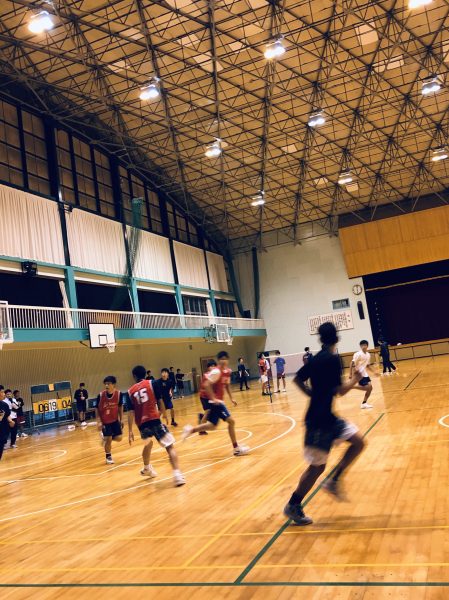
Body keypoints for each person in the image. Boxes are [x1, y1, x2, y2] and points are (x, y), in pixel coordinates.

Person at [283, 322, 365, 526]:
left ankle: (333, 481)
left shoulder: (316, 358)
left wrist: (311, 394)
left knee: (358, 442)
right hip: (319, 422)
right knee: (316, 468)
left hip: (327, 417)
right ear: (336, 337)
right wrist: (355, 379)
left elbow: (297, 379)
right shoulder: (332, 359)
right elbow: (340, 391)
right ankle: (293, 504)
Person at [182, 351, 250, 456]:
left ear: (228, 360)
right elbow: (206, 384)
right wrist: (213, 398)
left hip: (219, 402)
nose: (223, 361)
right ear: (218, 360)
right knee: (231, 422)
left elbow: (227, 385)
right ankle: (236, 448)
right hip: (216, 403)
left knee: (212, 426)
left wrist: (231, 398)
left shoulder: (227, 371)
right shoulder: (216, 372)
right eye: (221, 359)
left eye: (225, 359)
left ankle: (191, 430)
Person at [127, 365, 185, 487]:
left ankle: (146, 468)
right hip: (154, 419)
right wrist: (164, 414)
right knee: (169, 446)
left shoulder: (130, 391)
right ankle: (177, 475)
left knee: (148, 444)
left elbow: (131, 412)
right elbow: (160, 400)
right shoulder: (151, 383)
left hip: (142, 424)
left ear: (134, 376)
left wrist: (130, 430)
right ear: (145, 374)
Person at [95, 375, 124, 465]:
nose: (106, 385)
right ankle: (108, 457)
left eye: (108, 384)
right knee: (109, 438)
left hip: (114, 420)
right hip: (105, 421)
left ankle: (105, 438)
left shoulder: (119, 394)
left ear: (114, 384)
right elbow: (96, 408)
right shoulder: (100, 395)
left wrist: (121, 419)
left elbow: (120, 407)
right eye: (105, 384)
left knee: (119, 438)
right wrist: (99, 421)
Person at [351, 340, 376, 409]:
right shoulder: (358, 354)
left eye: (365, 345)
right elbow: (351, 363)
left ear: (367, 346)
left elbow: (367, 365)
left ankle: (364, 403)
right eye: (362, 345)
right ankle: (353, 386)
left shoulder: (368, 355)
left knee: (370, 388)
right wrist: (351, 373)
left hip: (365, 373)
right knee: (368, 387)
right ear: (360, 346)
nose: (363, 346)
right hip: (359, 374)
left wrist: (374, 372)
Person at [0, 387, 15, 461]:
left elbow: (7, 415)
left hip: (2, 433)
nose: (4, 394)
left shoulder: (4, 405)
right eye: (2, 392)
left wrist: (11, 421)